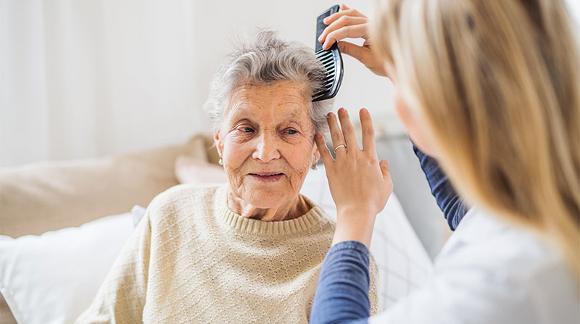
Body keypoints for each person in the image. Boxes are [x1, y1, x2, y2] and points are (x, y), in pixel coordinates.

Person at [76, 31, 377, 324]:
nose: (265, 152)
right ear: (220, 141)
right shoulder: (169, 215)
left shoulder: (342, 258)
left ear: (315, 148)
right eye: (246, 129)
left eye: (289, 131)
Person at [310, 1, 580, 323]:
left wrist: (355, 213)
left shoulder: (508, 282)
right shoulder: (543, 200)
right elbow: (468, 215)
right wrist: (401, 73)